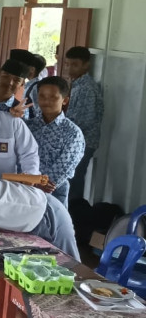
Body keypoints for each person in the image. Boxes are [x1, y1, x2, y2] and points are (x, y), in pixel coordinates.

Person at [26, 76, 85, 207]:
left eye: (53, 97)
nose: (46, 101)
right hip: (26, 187)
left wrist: (41, 183)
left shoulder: (72, 133)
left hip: (53, 190)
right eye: (42, 96)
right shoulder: (28, 126)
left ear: (65, 100)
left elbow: (64, 166)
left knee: (53, 219)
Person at [63, 46, 103, 201]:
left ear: (86, 65)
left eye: (75, 65)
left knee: (74, 179)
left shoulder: (87, 88)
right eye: (67, 64)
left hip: (83, 142)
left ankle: (74, 211)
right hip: (77, 141)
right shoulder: (77, 84)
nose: (69, 68)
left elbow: (83, 121)